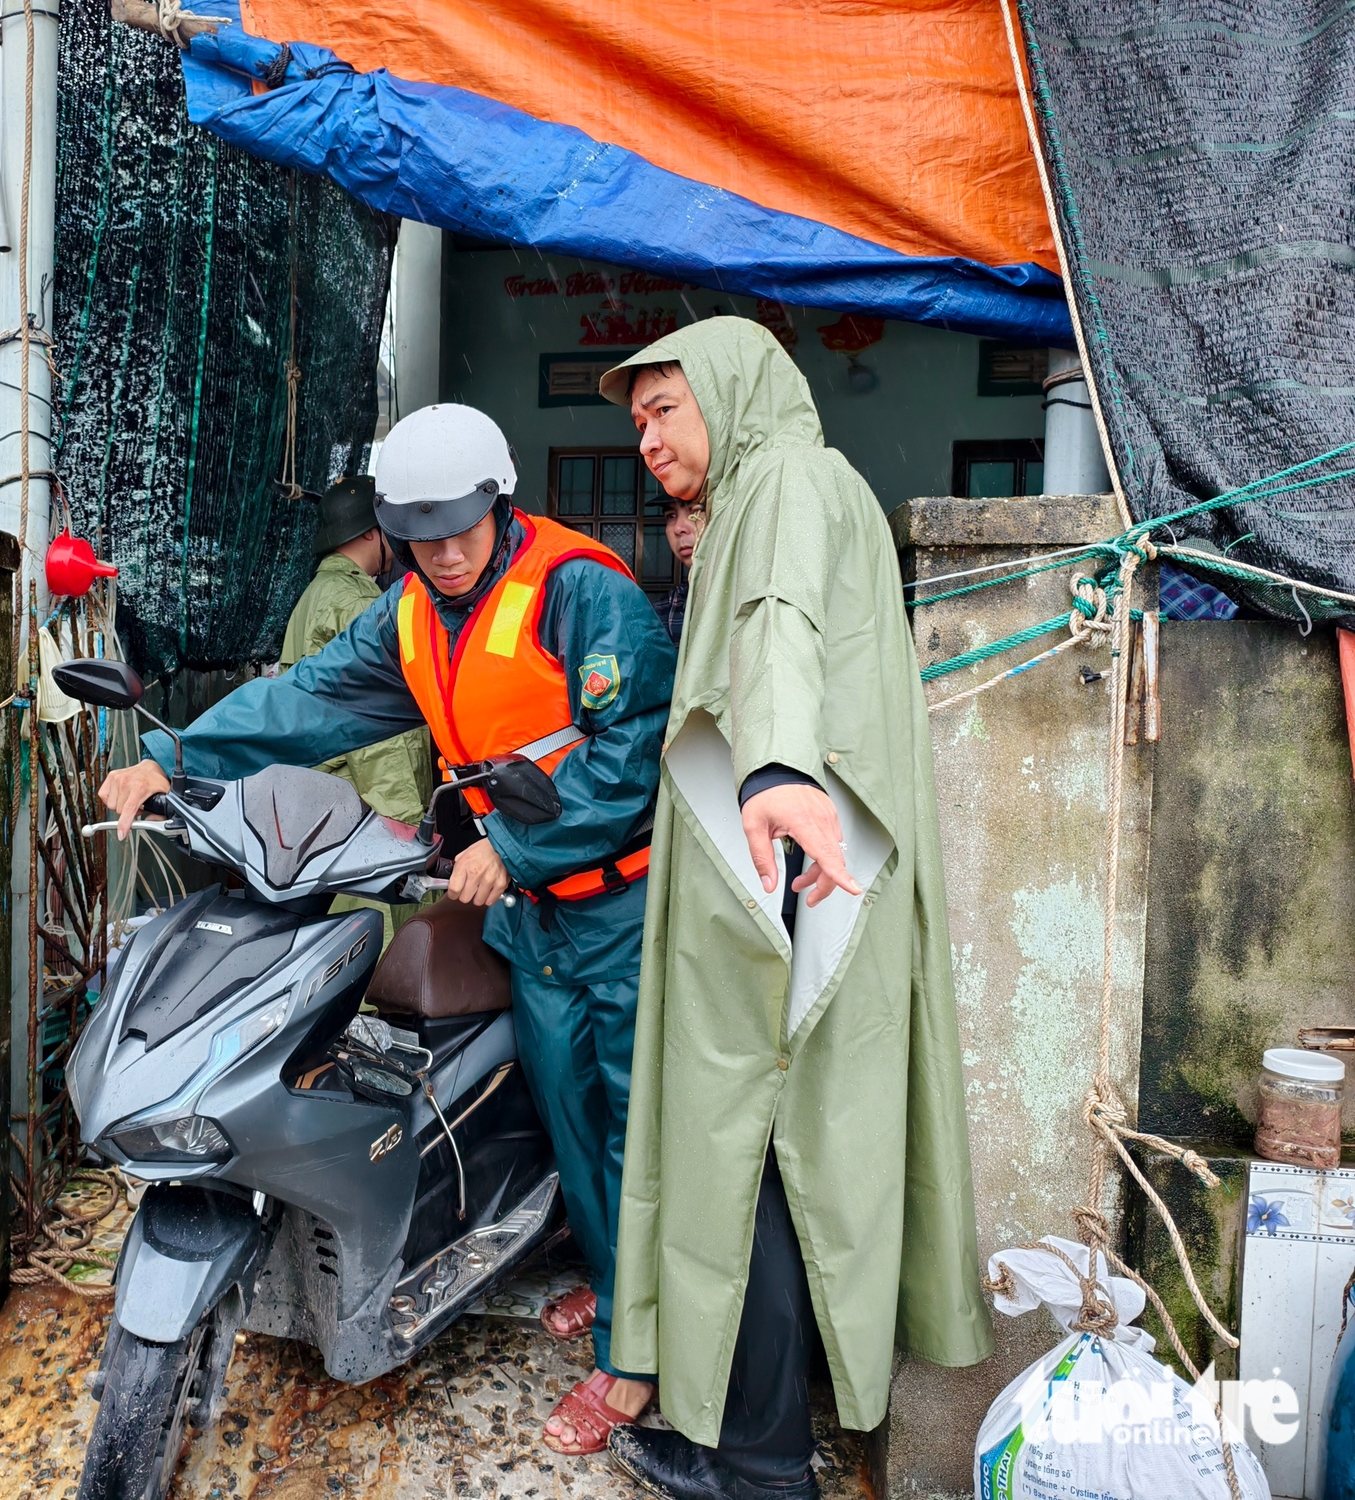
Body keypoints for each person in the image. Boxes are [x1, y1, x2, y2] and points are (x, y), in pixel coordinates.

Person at [98, 404, 675, 1454]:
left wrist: (518, 851)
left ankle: (634, 1364)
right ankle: (610, 1283)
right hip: (526, 920)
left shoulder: (579, 589)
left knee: (635, 1124)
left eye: (462, 528)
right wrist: (174, 760)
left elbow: (630, 749)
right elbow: (306, 700)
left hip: (615, 909)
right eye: (422, 535)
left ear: (499, 503)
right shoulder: (408, 612)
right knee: (569, 1112)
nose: (446, 552)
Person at [596, 319, 990, 1500]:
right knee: (771, 1156)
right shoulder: (795, 490)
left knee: (753, 1154)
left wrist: (773, 771)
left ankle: (761, 1465)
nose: (648, 439)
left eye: (663, 409)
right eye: (635, 423)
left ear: (724, 390)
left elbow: (778, 627)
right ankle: (753, 1439)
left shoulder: (784, 485)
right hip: (789, 878)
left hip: (784, 886)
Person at [279, 474, 435, 943]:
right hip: (366, 805)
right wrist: (404, 826)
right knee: (375, 929)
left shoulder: (312, 598)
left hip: (320, 797)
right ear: (373, 532)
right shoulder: (359, 603)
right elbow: (376, 729)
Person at [653, 491, 707, 646]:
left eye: (695, 512)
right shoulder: (666, 611)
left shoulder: (749, 600)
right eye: (671, 516)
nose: (678, 528)